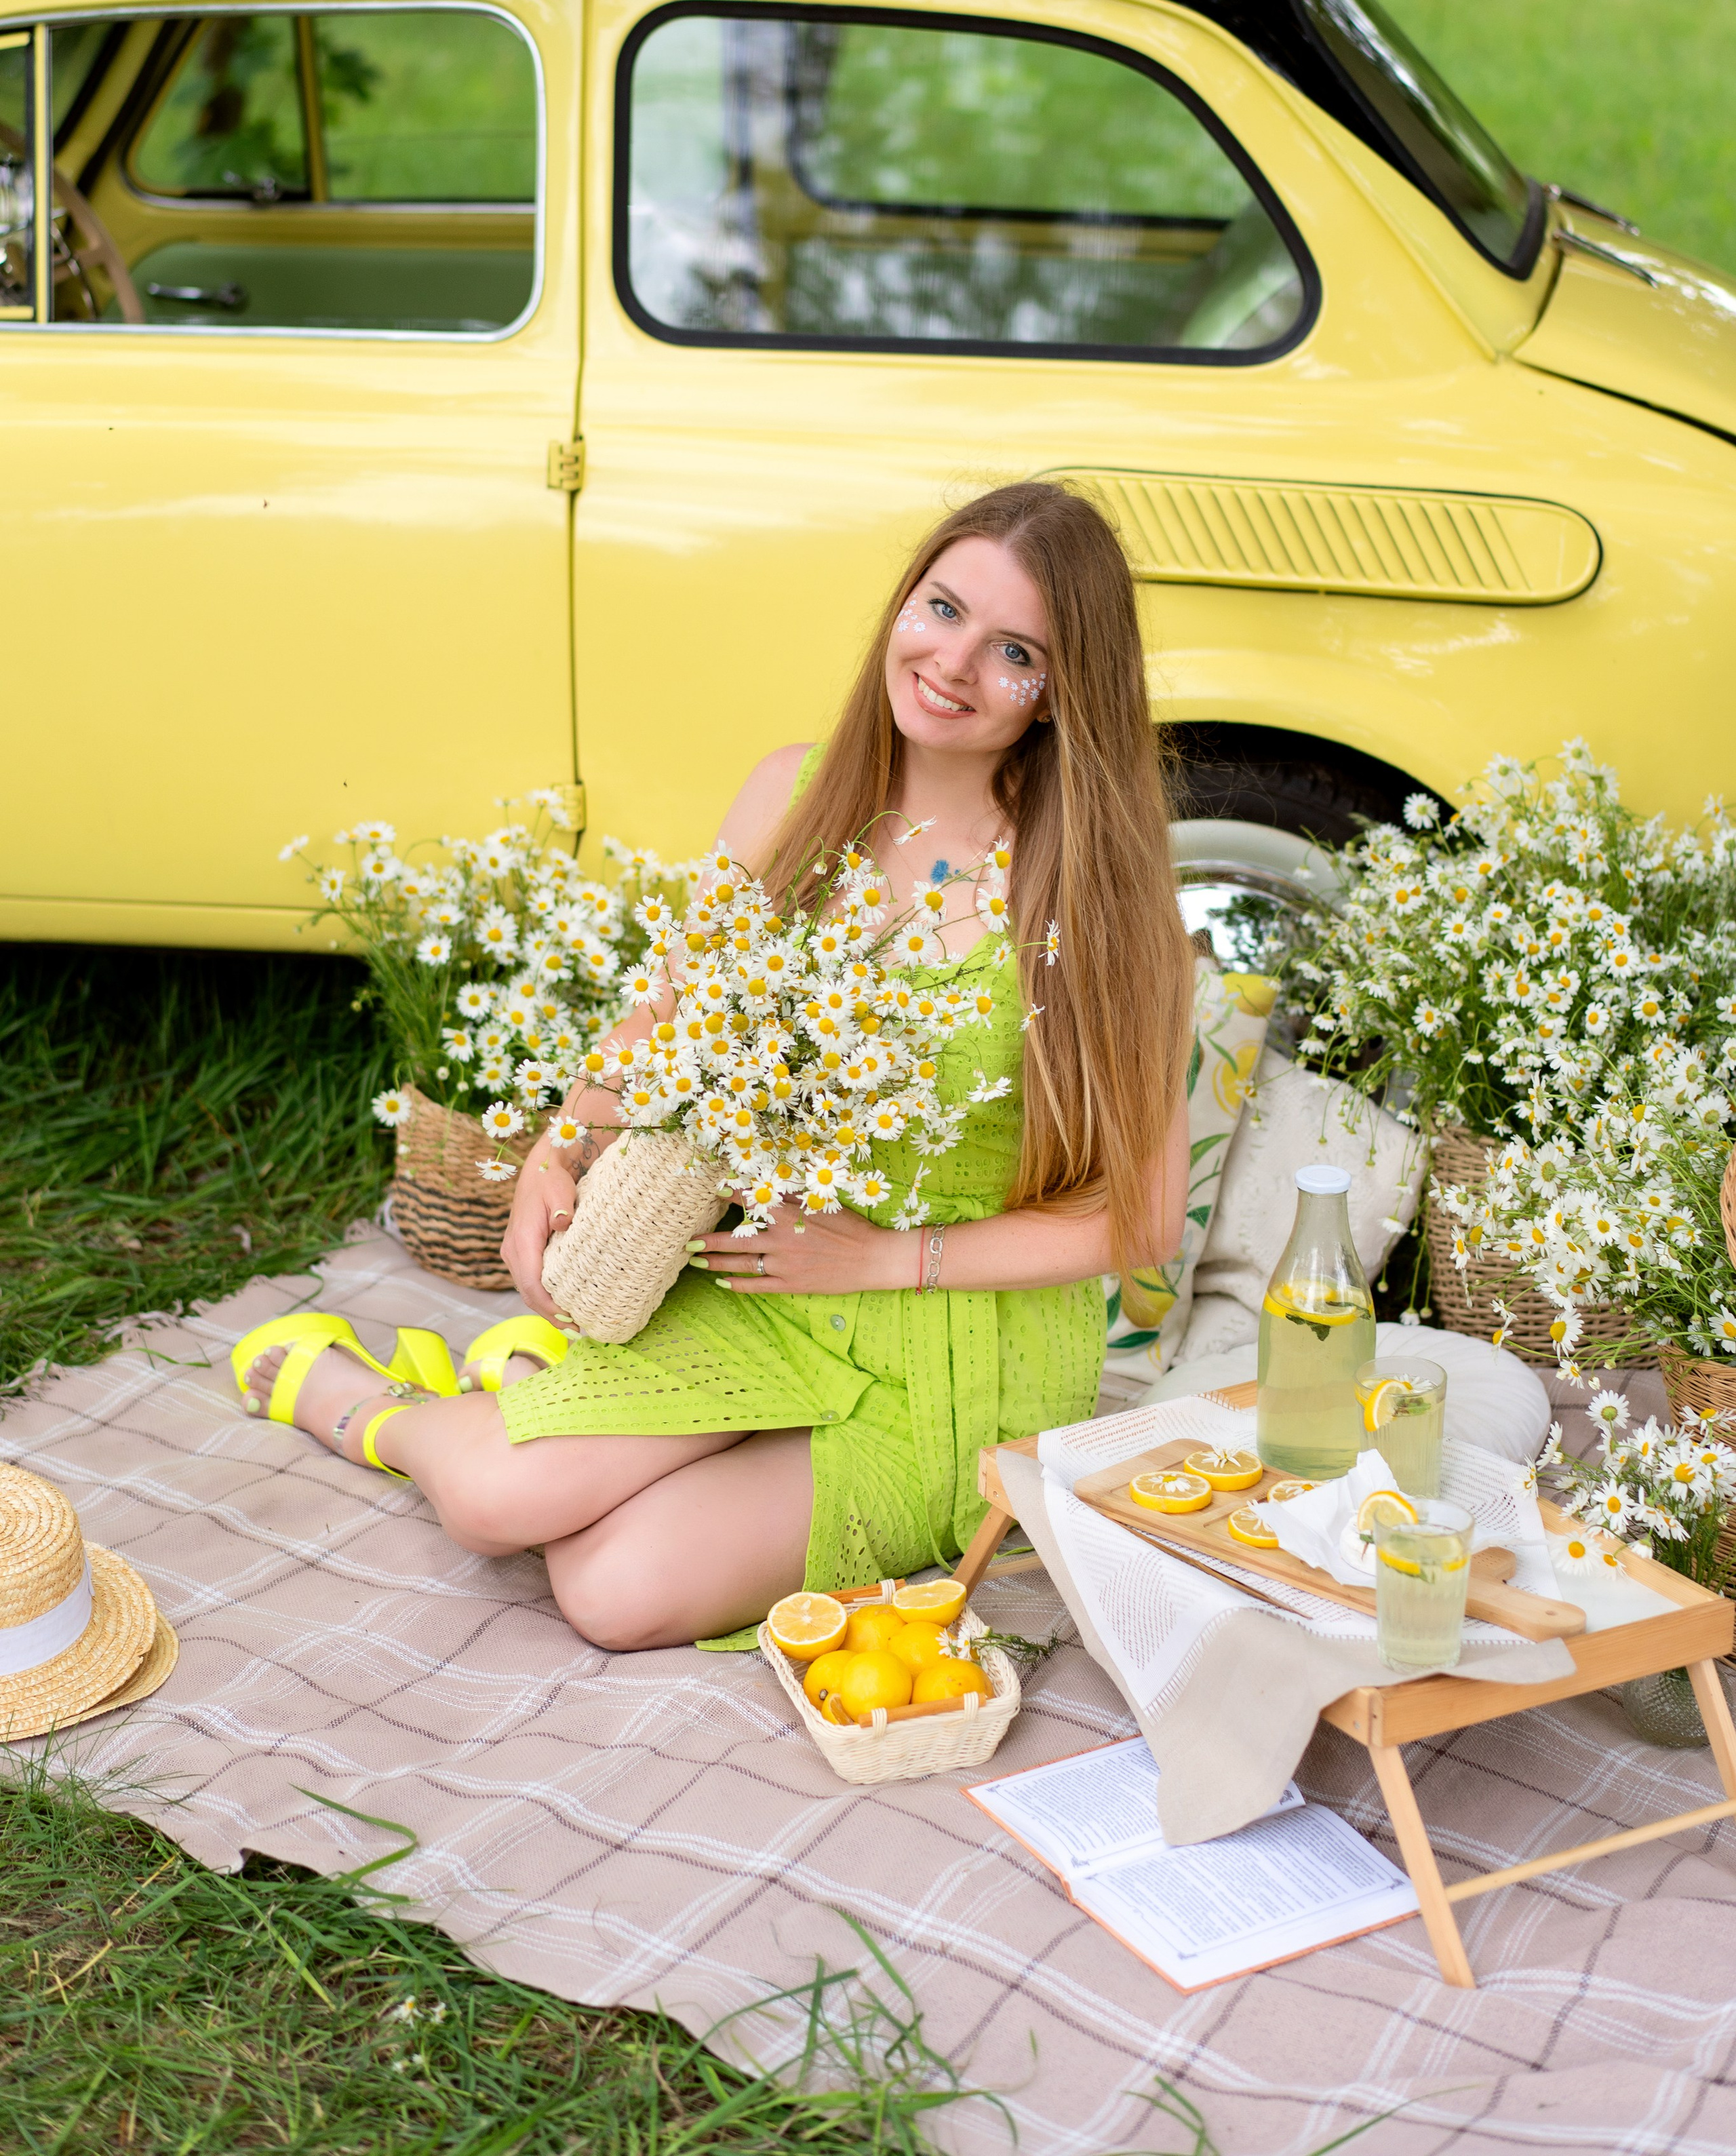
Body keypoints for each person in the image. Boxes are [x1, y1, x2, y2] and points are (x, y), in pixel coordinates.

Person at [235, 480, 1196, 1648]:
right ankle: (370, 1399)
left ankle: (534, 1392)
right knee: (497, 1503)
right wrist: (561, 1146)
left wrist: (891, 1260)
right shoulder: (795, 793)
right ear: (902, 604)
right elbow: (667, 1008)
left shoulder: (1105, 899)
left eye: (1014, 653)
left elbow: (1140, 1222)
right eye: (940, 609)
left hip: (958, 1337)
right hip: (756, 1270)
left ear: (1060, 696)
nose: (952, 663)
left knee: (611, 1591)